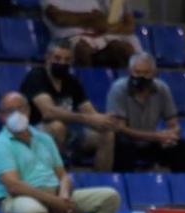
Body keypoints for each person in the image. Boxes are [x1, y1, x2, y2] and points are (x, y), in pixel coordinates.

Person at [0, 92, 121, 213]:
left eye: (20, 108)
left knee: (110, 197)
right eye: (10, 111)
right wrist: (53, 201)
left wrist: (63, 197)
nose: (17, 114)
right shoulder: (0, 145)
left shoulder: (45, 139)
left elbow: (62, 175)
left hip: (55, 194)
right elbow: (15, 187)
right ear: (2, 117)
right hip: (19, 198)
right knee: (34, 212)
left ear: (28, 110)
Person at [20, 40, 120, 170]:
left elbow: (90, 112)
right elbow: (48, 112)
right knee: (57, 127)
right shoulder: (36, 77)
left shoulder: (72, 81)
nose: (62, 63)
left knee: (107, 134)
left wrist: (105, 121)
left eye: (67, 60)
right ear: (47, 58)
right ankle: (55, 176)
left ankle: (102, 179)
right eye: (57, 58)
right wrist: (87, 119)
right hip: (33, 134)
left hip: (67, 134)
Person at [106, 53, 185, 173]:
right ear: (129, 71)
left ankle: (184, 183)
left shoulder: (162, 88)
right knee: (122, 144)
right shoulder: (118, 89)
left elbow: (174, 123)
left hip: (151, 143)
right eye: (137, 72)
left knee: (182, 146)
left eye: (146, 73)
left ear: (154, 73)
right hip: (127, 141)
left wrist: (171, 135)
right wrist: (156, 136)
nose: (142, 77)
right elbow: (120, 128)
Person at [41, 0, 142, 68]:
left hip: (98, 37)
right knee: (82, 49)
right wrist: (90, 17)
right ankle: (88, 86)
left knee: (123, 49)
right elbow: (59, 18)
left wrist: (91, 20)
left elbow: (102, 20)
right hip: (69, 40)